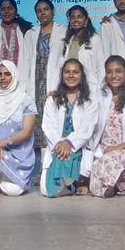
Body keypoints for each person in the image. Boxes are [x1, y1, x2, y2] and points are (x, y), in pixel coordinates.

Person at [88, 56, 125, 198]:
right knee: (97, 184)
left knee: (103, 183)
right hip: (101, 150)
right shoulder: (98, 97)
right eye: (109, 72)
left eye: (118, 71)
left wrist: (118, 148)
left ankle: (121, 182)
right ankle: (119, 183)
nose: (114, 75)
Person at [0, 60, 37, 196]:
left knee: (12, 191)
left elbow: (26, 132)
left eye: (7, 74)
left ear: (14, 75)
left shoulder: (26, 100)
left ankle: (13, 179)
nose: (2, 78)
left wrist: (2, 142)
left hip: (19, 151)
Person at [40, 59, 100, 197]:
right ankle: (69, 185)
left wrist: (69, 142)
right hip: (57, 145)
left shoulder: (90, 100)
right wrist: (60, 144)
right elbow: (48, 126)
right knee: (47, 190)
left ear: (82, 76)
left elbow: (87, 127)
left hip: (78, 145)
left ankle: (76, 181)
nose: (71, 75)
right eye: (67, 72)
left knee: (52, 188)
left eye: (75, 72)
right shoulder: (52, 99)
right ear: (62, 75)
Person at [26, 0, 67, 110]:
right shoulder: (30, 34)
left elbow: (66, 58)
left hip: (55, 80)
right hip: (35, 81)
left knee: (54, 112)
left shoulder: (64, 31)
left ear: (53, 12)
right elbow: (25, 61)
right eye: (39, 11)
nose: (42, 13)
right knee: (35, 113)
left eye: (46, 9)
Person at [0, 0, 30, 72]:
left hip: (21, 75)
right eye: (3, 9)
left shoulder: (26, 31)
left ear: (16, 11)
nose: (6, 11)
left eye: (10, 8)